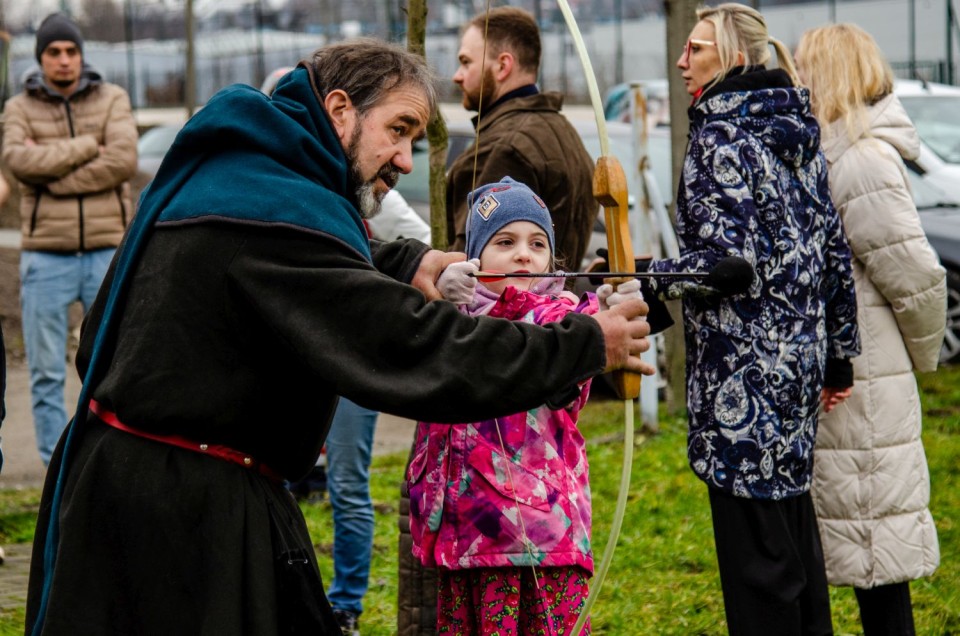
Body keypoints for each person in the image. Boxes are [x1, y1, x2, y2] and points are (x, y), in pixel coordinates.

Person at [24, 38, 655, 635]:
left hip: (135, 487)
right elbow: (409, 344)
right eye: (398, 130)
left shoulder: (240, 174)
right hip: (182, 518)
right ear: (339, 110)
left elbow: (295, 266)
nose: (406, 159)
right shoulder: (275, 211)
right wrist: (582, 344)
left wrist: (409, 263)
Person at [644, 4, 861, 635]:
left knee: (757, 564)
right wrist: (837, 356)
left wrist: (646, 275)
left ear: (733, 60)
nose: (683, 62)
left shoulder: (717, 135)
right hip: (795, 375)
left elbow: (728, 267)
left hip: (743, 383)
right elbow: (831, 253)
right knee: (790, 537)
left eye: (697, 50)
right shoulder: (794, 127)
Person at [407, 177, 641, 635]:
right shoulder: (446, 317)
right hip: (462, 537)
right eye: (505, 241)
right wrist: (432, 290)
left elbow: (577, 339)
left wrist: (611, 314)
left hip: (540, 541)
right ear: (473, 256)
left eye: (538, 244)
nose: (523, 254)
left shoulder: (556, 317)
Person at [794, 24, 945, 636]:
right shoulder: (837, 152)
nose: (795, 77)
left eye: (805, 66)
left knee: (875, 552)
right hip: (858, 375)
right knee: (857, 543)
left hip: (868, 383)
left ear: (829, 73)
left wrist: (915, 356)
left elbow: (918, 278)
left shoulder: (859, 159)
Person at [1, 12, 138, 466]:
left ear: (81, 55)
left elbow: (121, 160)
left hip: (107, 254)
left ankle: (105, 466)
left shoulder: (113, 98)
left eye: (71, 51)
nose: (64, 60)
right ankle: (53, 471)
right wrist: (85, 148)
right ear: (41, 59)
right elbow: (19, 162)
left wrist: (52, 174)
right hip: (45, 258)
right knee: (44, 374)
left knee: (113, 365)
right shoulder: (19, 107)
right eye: (54, 52)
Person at [445, 6, 596, 269]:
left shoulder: (504, 147)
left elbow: (468, 263)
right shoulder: (564, 131)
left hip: (505, 308)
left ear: (503, 66)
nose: (457, 76)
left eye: (466, 62)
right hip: (548, 303)